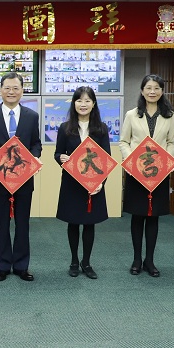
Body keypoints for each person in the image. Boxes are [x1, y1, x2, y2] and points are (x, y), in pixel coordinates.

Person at [0, 72, 42, 282]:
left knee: (23, 223)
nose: (11, 92)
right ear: (0, 90)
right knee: (1, 223)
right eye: (7, 88)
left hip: (24, 179)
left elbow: (36, 143)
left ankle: (22, 266)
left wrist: (34, 157)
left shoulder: (32, 116)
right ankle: (3, 266)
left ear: (22, 91)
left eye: (16, 88)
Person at [119, 74, 174, 278]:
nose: (152, 92)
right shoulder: (132, 115)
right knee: (137, 216)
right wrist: (131, 162)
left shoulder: (169, 115)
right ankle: (136, 259)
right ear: (142, 90)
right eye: (149, 88)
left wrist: (166, 162)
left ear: (162, 91)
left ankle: (150, 260)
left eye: (157, 88)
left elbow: (171, 142)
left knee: (153, 218)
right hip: (136, 173)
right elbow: (124, 142)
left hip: (159, 174)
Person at [54, 86, 110, 279]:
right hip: (72, 183)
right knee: (73, 222)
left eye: (87, 101)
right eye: (79, 100)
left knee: (89, 223)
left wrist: (101, 182)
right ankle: (74, 262)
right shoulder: (65, 128)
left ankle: (87, 262)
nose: (83, 104)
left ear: (93, 104)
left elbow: (106, 159)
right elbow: (57, 154)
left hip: (93, 184)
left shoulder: (101, 128)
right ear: (74, 103)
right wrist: (60, 157)